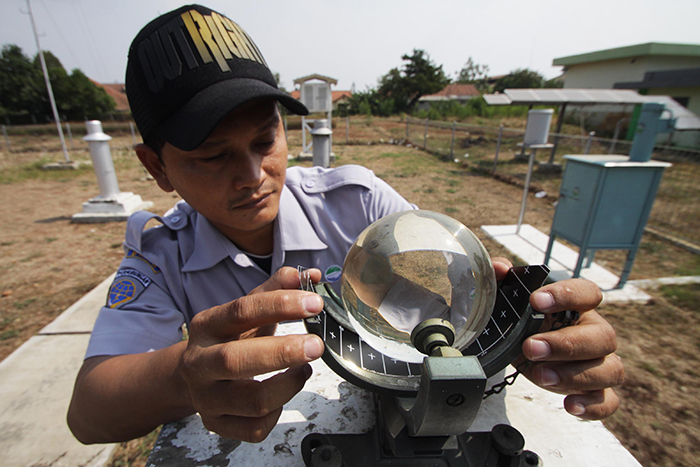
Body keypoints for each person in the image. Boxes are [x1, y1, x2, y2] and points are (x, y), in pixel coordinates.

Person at [67, 4, 624, 445]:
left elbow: (457, 295)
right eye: (213, 157)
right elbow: (89, 415)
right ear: (156, 167)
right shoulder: (158, 253)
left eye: (267, 140)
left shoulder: (358, 204)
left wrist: (532, 331)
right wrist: (184, 374)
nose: (254, 174)